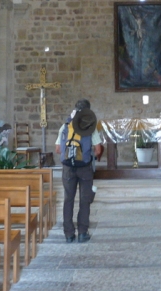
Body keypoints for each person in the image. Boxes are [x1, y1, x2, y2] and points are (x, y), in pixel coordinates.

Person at [55, 99, 104, 243]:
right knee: (84, 200)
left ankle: (69, 234)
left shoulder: (65, 126)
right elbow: (98, 149)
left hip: (68, 168)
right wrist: (87, 154)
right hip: (84, 167)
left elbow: (58, 149)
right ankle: (83, 232)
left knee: (68, 199)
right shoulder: (90, 127)